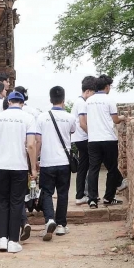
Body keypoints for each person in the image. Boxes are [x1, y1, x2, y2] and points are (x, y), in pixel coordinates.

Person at [0, 91, 37, 254]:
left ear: (9, 102)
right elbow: (31, 145)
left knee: (2, 202)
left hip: (1, 164)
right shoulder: (28, 118)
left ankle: (2, 238)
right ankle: (13, 241)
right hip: (19, 165)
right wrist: (34, 168)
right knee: (17, 202)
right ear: (22, 103)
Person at [34, 86, 76, 240]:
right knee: (63, 193)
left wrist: (35, 160)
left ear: (50, 99)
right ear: (63, 100)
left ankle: (49, 219)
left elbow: (38, 141)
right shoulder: (70, 117)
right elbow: (72, 132)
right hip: (64, 162)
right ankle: (61, 225)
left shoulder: (42, 117)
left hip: (47, 161)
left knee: (47, 192)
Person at [82, 74, 126, 209]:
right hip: (108, 139)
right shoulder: (109, 100)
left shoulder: (88, 101)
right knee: (112, 169)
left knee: (93, 168)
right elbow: (115, 120)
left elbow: (85, 120)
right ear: (107, 87)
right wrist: (123, 117)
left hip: (93, 140)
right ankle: (108, 197)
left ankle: (92, 199)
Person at [71, 76, 95, 205]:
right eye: (92, 93)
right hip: (83, 138)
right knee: (88, 166)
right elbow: (82, 123)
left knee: (83, 167)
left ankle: (82, 194)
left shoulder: (78, 102)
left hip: (79, 138)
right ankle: (82, 194)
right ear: (87, 91)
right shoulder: (82, 103)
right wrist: (92, 135)